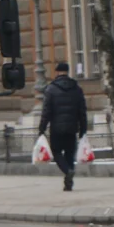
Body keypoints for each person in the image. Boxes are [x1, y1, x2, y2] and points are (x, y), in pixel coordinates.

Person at [38, 62, 88, 191]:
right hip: (72, 128)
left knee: (56, 152)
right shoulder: (77, 88)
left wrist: (42, 128)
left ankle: (67, 171)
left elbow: (46, 111)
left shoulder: (51, 89)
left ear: (57, 72)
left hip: (56, 128)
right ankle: (68, 183)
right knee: (69, 154)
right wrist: (83, 128)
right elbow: (82, 111)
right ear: (67, 71)